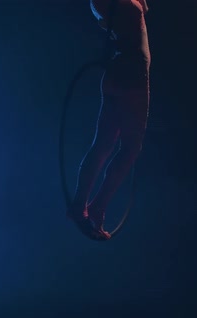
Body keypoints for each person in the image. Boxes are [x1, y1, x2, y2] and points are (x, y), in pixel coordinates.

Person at [66, 0, 151, 240]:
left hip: (116, 73)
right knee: (131, 148)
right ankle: (97, 205)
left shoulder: (100, 3)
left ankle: (80, 204)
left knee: (103, 144)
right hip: (134, 76)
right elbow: (143, 10)